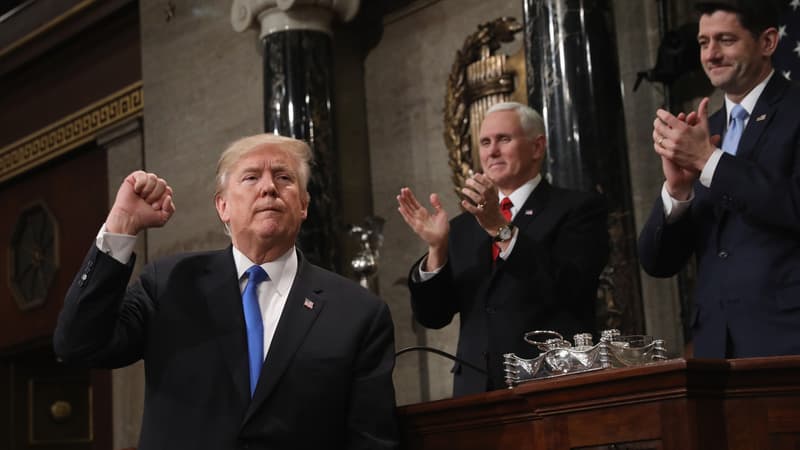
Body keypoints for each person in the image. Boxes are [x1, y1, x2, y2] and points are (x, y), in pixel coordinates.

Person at [54, 134, 398, 449]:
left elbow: (372, 441)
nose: (268, 188)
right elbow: (78, 344)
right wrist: (122, 224)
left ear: (304, 205)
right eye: (251, 177)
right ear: (223, 207)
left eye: (284, 177)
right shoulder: (171, 283)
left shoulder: (356, 313)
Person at [397, 102, 609, 397]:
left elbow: (571, 286)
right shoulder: (462, 227)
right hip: (477, 391)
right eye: (485, 142)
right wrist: (436, 250)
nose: (492, 151)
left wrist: (501, 228)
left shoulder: (578, 209)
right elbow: (434, 316)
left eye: (503, 139)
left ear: (537, 147)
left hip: (552, 384)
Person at [639, 0, 800, 358]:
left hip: (788, 343)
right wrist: (677, 192)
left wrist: (710, 161)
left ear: (768, 42)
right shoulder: (705, 130)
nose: (711, 55)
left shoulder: (793, 109)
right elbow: (657, 262)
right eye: (703, 42)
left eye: (725, 40)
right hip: (716, 351)